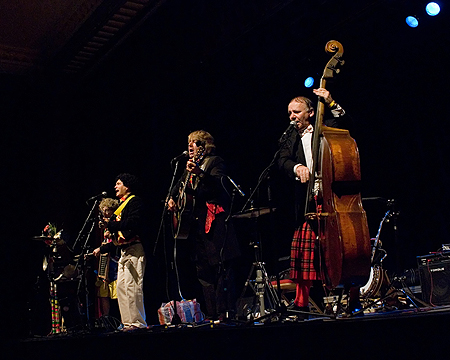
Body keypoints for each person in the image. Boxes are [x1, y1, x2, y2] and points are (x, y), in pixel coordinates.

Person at [277, 88, 351, 316]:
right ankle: (301, 304)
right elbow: (282, 160)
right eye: (289, 112)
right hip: (308, 201)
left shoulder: (326, 128)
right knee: (303, 256)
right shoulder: (290, 137)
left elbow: (343, 118)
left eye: (296, 112)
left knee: (342, 250)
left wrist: (329, 100)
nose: (292, 116)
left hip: (333, 197)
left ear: (309, 112)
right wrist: (296, 167)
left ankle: (350, 298)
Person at [167, 130, 240, 321]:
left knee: (221, 270)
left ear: (206, 146)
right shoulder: (186, 167)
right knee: (203, 272)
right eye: (189, 142)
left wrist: (200, 172)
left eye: (196, 143)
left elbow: (218, 187)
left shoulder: (214, 162)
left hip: (215, 225)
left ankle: (226, 312)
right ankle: (212, 313)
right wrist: (171, 200)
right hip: (196, 228)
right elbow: (176, 190)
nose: (191, 146)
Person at [93, 173, 147, 332]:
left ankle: (138, 323)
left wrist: (112, 226)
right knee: (121, 288)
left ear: (127, 186)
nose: (115, 187)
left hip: (135, 250)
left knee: (133, 287)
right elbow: (119, 235)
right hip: (124, 251)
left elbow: (132, 223)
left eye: (118, 183)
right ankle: (128, 323)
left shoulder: (134, 201)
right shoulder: (120, 206)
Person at [95, 197, 120, 319]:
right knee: (103, 290)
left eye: (107, 210)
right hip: (106, 261)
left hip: (116, 259)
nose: (104, 213)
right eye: (103, 211)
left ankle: (121, 317)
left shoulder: (117, 220)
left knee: (118, 291)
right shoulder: (105, 222)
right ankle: (106, 318)